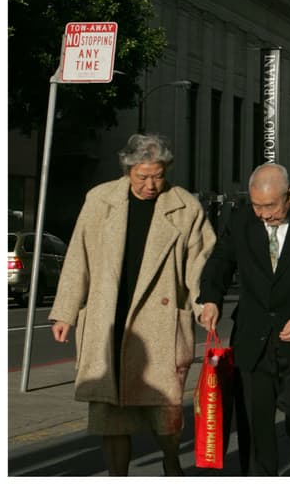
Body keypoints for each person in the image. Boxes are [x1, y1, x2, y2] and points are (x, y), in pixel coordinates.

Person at [48, 133, 214, 476]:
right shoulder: (99, 200)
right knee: (112, 417)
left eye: (158, 175)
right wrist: (65, 311)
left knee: (165, 413)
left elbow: (201, 264)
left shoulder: (185, 207)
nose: (151, 185)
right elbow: (78, 258)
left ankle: (171, 460)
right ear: (128, 170)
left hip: (160, 326)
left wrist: (204, 305)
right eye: (143, 177)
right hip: (109, 319)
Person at [197, 163, 290, 476]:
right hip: (253, 337)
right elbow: (220, 262)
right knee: (254, 422)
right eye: (256, 205)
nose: (263, 214)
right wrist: (211, 299)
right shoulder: (241, 221)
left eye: (269, 206)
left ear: (289, 196)